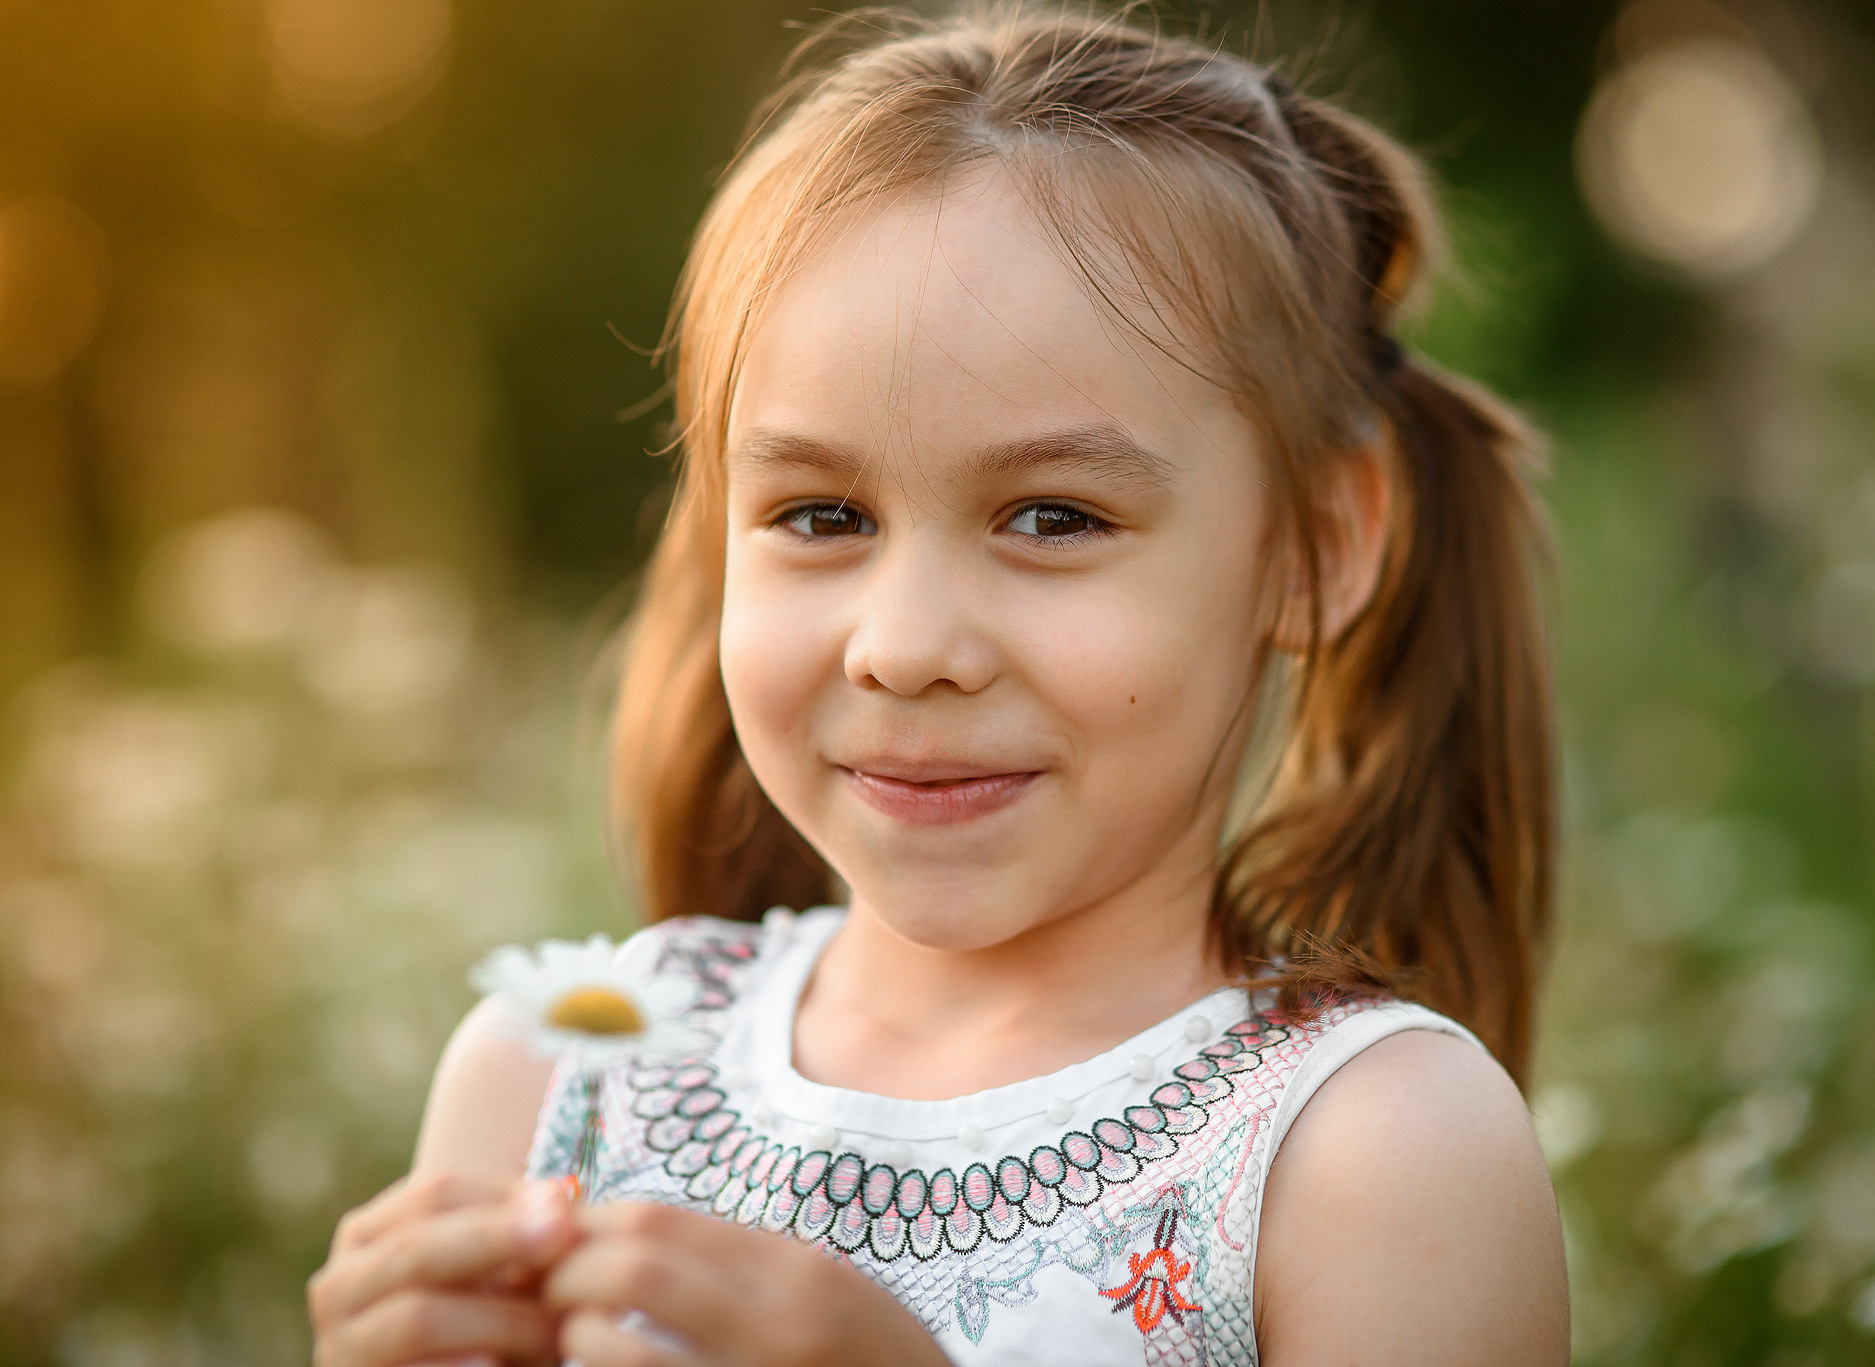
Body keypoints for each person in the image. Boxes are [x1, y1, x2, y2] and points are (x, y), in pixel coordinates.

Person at [308, 8, 1570, 1365]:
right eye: (822, 515)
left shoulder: (1373, 1157)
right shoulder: (554, 1078)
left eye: (1053, 518)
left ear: (1316, 548)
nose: (904, 646)